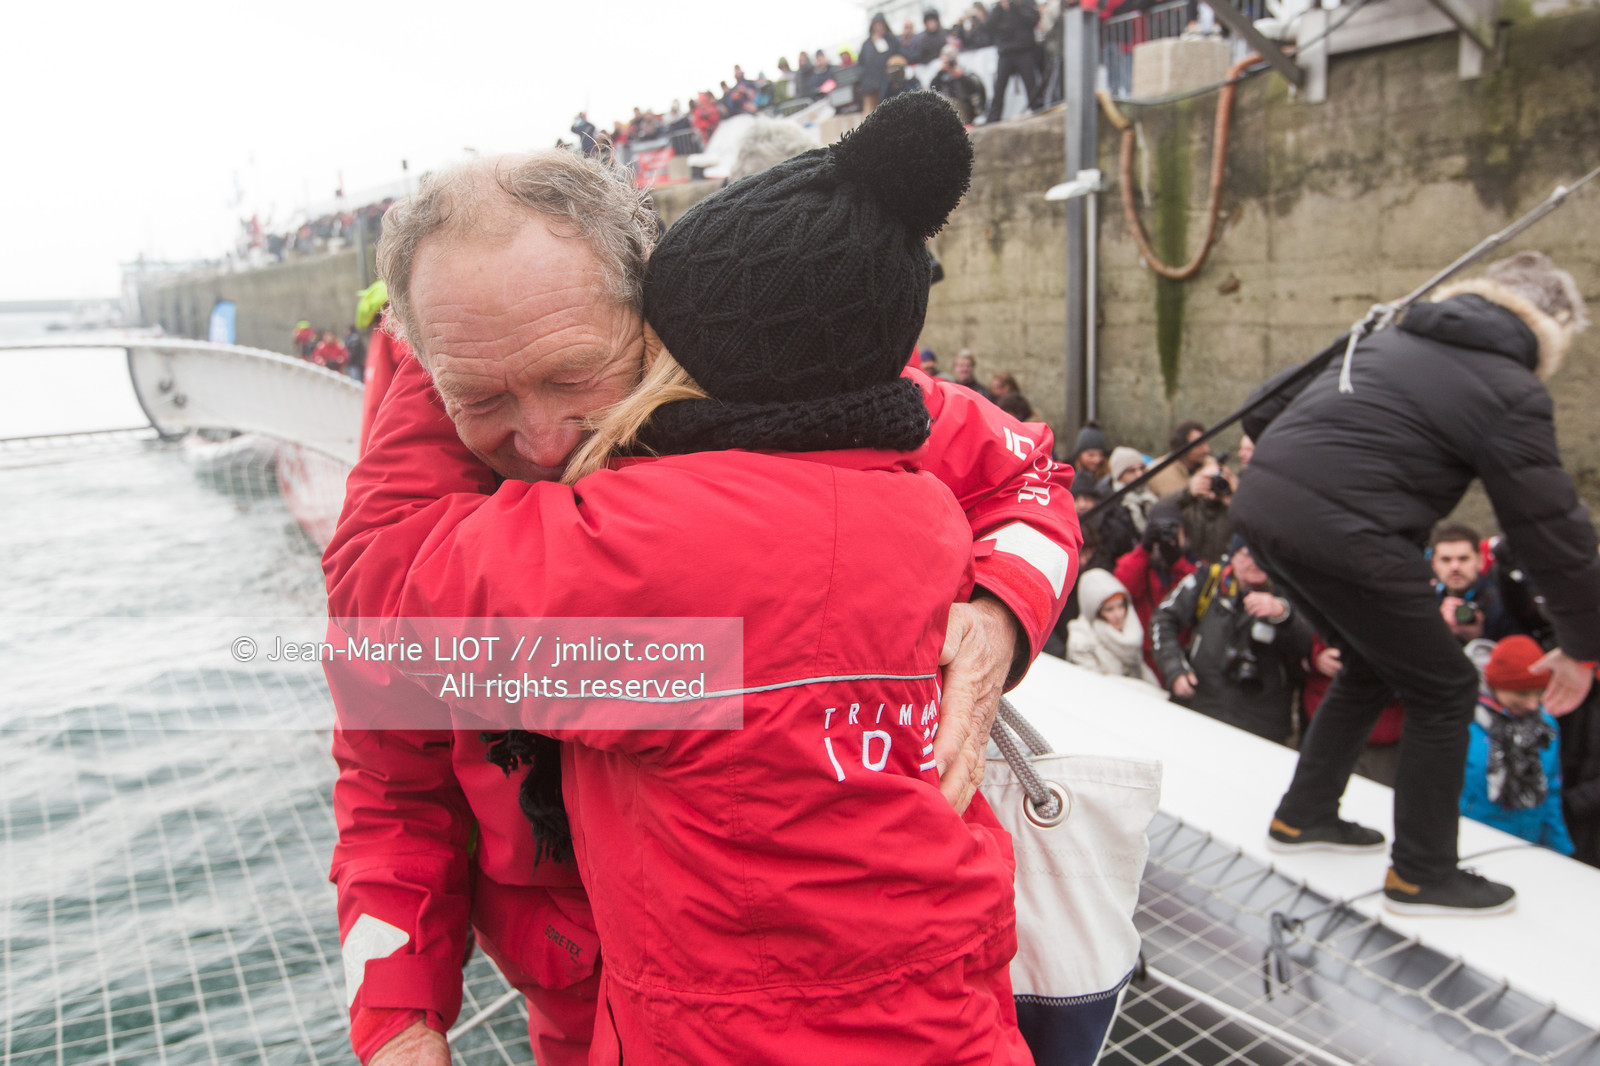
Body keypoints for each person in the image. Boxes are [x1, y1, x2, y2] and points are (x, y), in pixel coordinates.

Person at [326, 130, 1080, 1064]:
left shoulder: (795, 400)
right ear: (430, 379)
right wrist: (399, 1021)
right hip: (577, 995)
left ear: (653, 315)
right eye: (481, 399)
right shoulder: (427, 522)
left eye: (574, 376)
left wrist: (1000, 615)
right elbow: (389, 793)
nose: (546, 440)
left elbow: (1027, 476)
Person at [1234, 251, 1599, 915]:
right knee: (1447, 687)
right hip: (1352, 535)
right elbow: (1547, 527)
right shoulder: (1511, 389)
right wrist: (1582, 642)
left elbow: (1260, 412)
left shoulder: (1389, 334)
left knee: (1371, 664)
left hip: (1263, 508)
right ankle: (1423, 875)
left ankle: (1304, 815)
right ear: (1550, 331)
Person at [1151, 539, 1312, 742]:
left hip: (1261, 722)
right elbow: (1163, 619)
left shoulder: (1290, 590)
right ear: (1233, 557)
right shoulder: (1209, 580)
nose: (1256, 562)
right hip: (1201, 705)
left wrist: (1282, 614)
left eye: (1264, 555)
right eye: (1248, 554)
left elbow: (1310, 646)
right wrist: (1175, 669)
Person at [1454, 636, 1576, 867]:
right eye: (1522, 694)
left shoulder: (1545, 726)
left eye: (1539, 692)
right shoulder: (1460, 720)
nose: (1533, 704)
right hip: (1471, 847)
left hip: (1524, 848)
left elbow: (1550, 791)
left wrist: (1561, 852)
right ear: (1494, 685)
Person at [1302, 637, 1404, 787]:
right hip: (1328, 728)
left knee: (1375, 794)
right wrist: (1316, 655)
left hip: (1385, 734)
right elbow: (1300, 633)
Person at [1115, 497, 1197, 682]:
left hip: (1180, 655)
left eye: (1173, 529)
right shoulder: (1139, 563)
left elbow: (1197, 596)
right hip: (1143, 655)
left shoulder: (1193, 566)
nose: (1167, 536)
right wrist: (1144, 549)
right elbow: (1121, 589)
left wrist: (1177, 563)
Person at [1068, 568, 1162, 688]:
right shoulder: (1081, 641)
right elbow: (1092, 686)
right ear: (1095, 612)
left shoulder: (1131, 630)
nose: (1118, 615)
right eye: (1109, 609)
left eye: (1121, 606)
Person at [1430, 523, 1516, 643]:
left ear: (1480, 560)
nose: (1455, 567)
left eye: (1463, 559)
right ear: (1433, 564)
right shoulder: (1424, 605)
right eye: (1446, 560)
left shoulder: (1505, 602)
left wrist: (1478, 638)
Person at [1166, 455, 1235, 565]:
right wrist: (1188, 492)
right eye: (1209, 479)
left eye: (1220, 480)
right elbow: (1160, 509)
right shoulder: (1187, 505)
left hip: (1223, 569)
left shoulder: (1232, 508)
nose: (1214, 484)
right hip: (1190, 568)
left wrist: (1235, 498)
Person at [985, 0, 1042, 124]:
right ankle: (993, 118)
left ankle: (1038, 110)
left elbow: (1033, 20)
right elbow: (988, 26)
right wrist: (1000, 9)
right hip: (1005, 53)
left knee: (1031, 84)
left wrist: (1015, 7)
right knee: (999, 87)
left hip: (1024, 50)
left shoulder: (1025, 4)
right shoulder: (997, 8)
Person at [1146, 420, 1210, 498]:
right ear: (1182, 447)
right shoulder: (1156, 472)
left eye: (1205, 443)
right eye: (1198, 445)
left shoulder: (1212, 466)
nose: (1206, 450)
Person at [857, 13, 905, 115]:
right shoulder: (866, 45)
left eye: (881, 24)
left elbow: (900, 57)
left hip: (891, 85)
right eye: (876, 25)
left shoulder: (892, 40)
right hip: (871, 86)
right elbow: (861, 65)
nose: (878, 27)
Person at [931, 47, 989, 124]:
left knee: (950, 103)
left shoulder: (965, 72)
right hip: (953, 111)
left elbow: (976, 91)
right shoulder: (942, 76)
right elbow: (933, 88)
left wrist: (960, 76)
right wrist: (940, 72)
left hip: (970, 110)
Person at [1107, 445, 1157, 533]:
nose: (1139, 474)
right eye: (1131, 470)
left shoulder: (1151, 493)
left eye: (1141, 468)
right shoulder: (1111, 505)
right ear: (1119, 476)